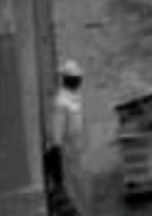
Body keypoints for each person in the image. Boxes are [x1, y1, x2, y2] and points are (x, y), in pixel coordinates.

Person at [46, 60, 87, 211]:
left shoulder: (74, 99)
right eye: (75, 77)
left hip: (76, 154)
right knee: (75, 195)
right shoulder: (61, 103)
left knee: (81, 193)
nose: (78, 80)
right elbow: (57, 139)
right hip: (67, 157)